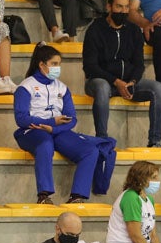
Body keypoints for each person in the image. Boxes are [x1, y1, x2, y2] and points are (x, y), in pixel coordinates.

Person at [14, 44, 101, 205]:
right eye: (54, 64)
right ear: (42, 65)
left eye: (59, 64)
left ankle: (77, 196)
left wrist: (54, 128)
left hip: (57, 131)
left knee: (90, 150)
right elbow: (21, 119)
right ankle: (44, 195)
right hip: (32, 131)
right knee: (45, 144)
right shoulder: (25, 86)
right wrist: (49, 123)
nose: (57, 68)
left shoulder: (62, 87)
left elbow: (72, 119)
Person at [82, 0, 161, 146]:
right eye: (119, 7)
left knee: (159, 89)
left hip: (128, 84)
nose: (123, 11)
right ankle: (102, 140)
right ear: (109, 7)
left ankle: (154, 141)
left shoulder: (133, 30)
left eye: (127, 7)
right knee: (101, 87)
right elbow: (90, 66)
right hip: (102, 81)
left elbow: (139, 64)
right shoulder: (95, 29)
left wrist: (133, 81)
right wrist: (115, 81)